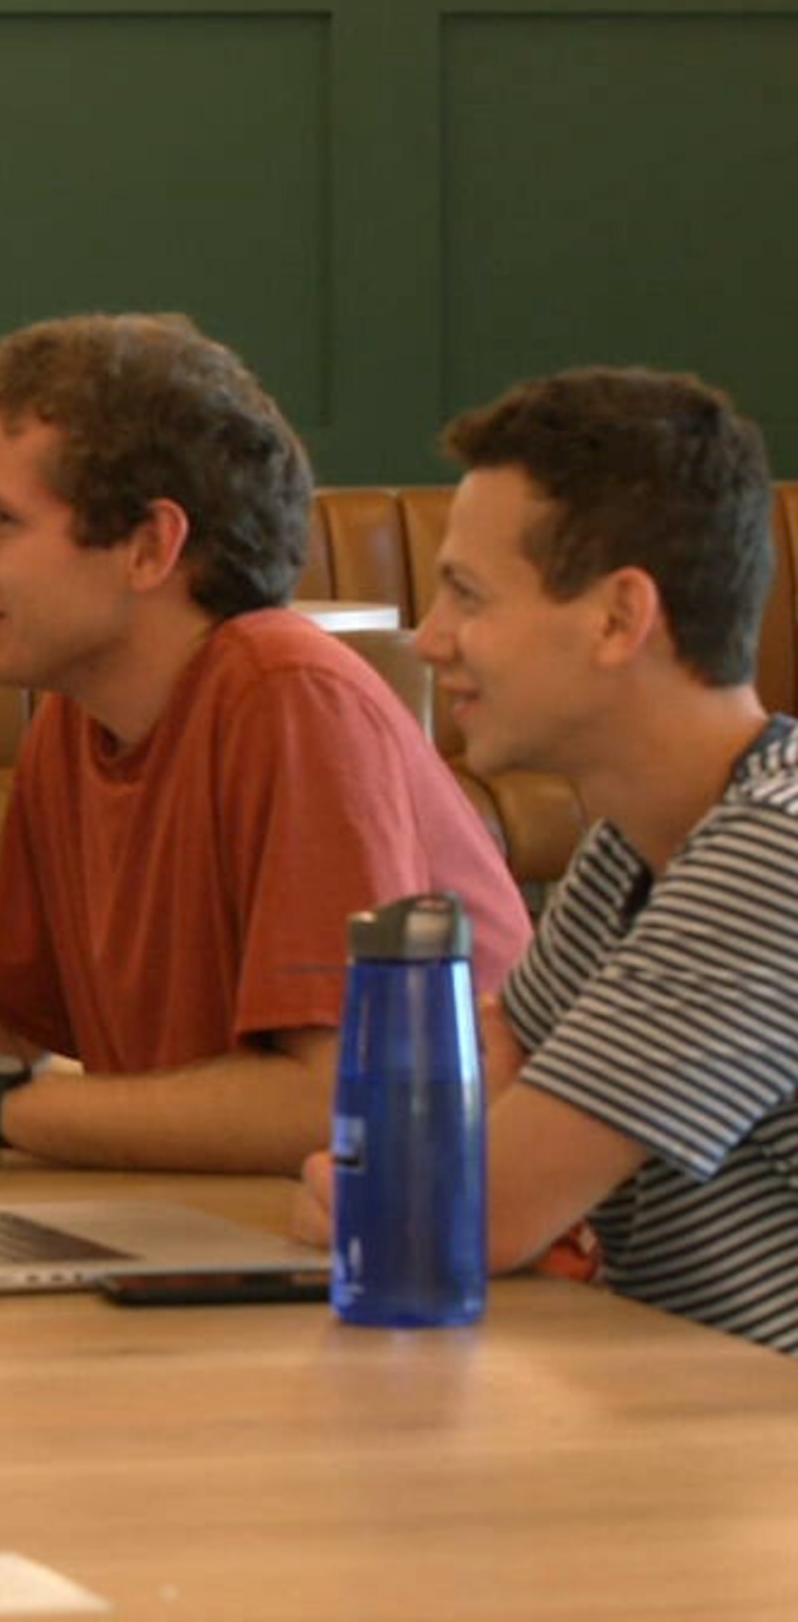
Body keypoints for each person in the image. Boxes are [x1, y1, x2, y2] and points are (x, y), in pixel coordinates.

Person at [0, 313, 529, 1175]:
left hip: (409, 1273)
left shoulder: (289, 695)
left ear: (151, 546)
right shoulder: (79, 712)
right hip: (217, 1224)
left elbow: (335, 1101)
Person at [290, 369, 798, 1352]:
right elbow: (474, 1097)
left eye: (467, 596)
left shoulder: (774, 854)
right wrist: (416, 1183)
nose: (431, 640)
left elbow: (457, 1216)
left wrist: (413, 1189)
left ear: (618, 618)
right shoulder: (633, 842)